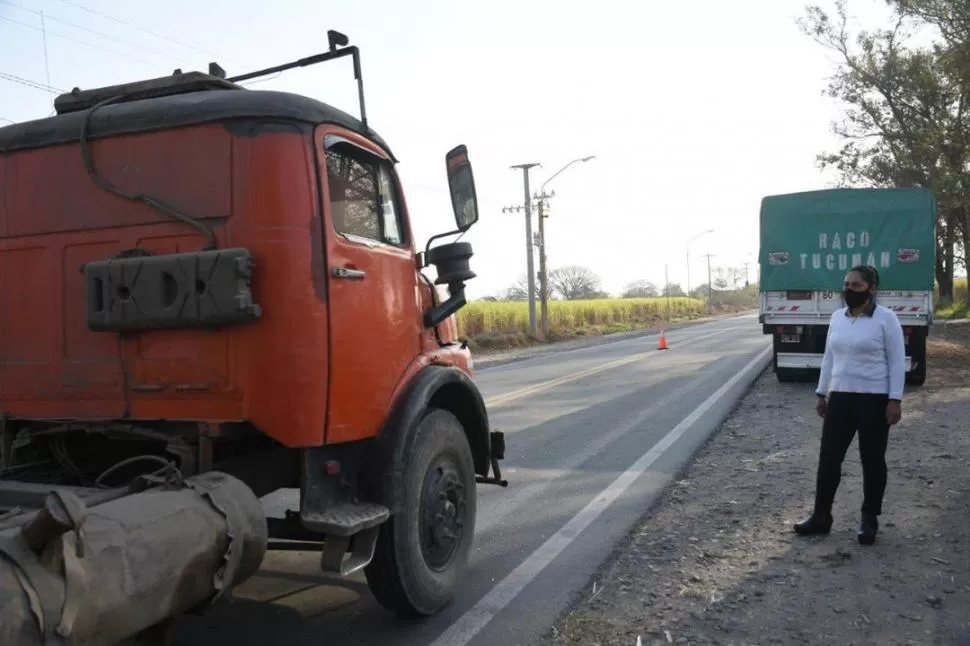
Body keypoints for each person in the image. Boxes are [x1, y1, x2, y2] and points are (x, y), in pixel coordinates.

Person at [793, 264, 906, 545]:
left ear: (872, 289)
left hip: (874, 400)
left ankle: (869, 519)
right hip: (840, 398)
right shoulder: (837, 318)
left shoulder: (886, 319)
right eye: (846, 284)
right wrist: (822, 393)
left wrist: (895, 400)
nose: (849, 290)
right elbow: (829, 358)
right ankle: (821, 517)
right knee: (829, 459)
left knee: (872, 460)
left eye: (856, 285)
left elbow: (896, 362)